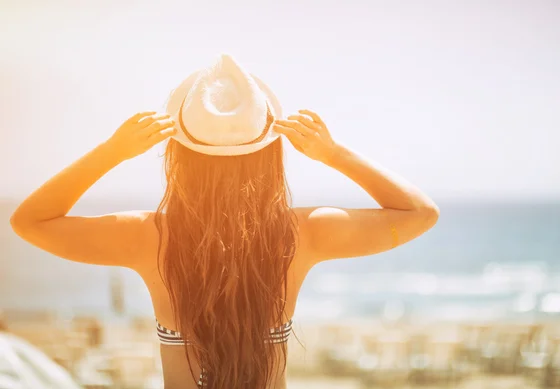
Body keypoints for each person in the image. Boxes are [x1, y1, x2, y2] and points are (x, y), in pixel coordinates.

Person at [10, 54, 439, 389]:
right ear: (271, 151)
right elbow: (419, 214)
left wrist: (111, 151)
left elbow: (30, 221)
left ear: (177, 154)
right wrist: (334, 154)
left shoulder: (148, 237)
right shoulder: (301, 234)